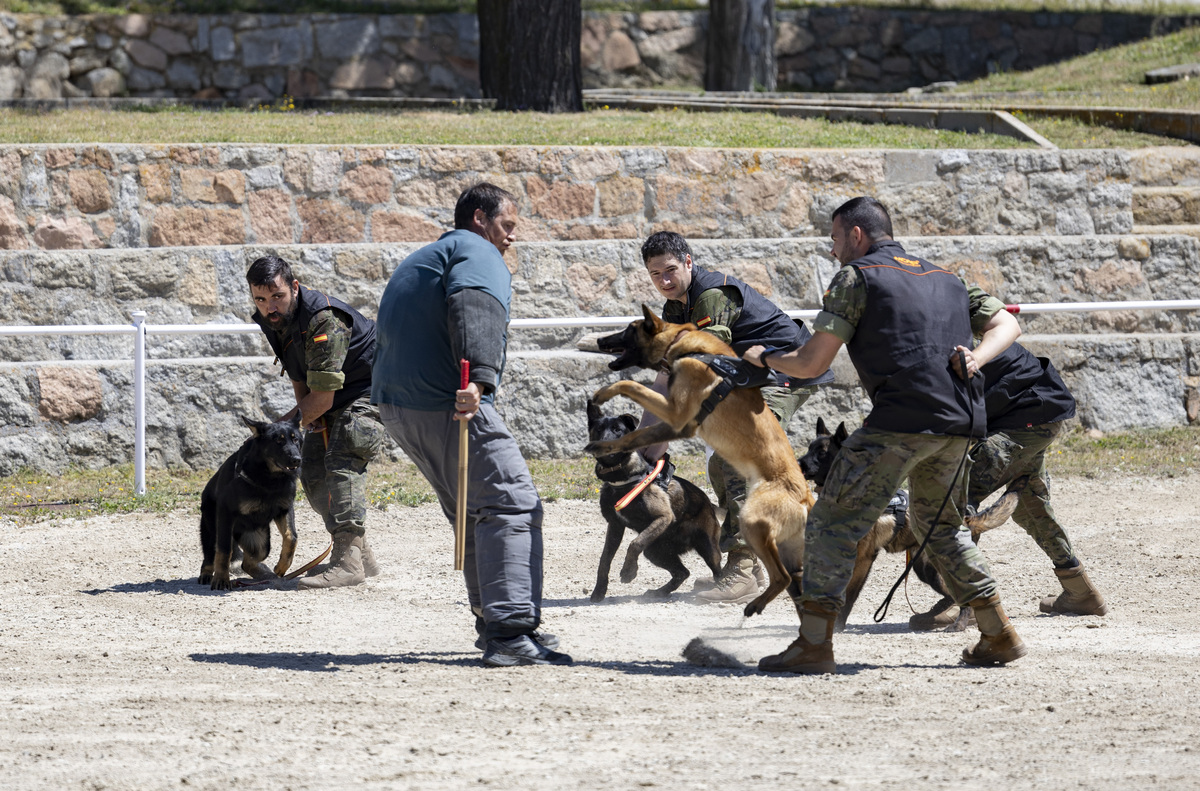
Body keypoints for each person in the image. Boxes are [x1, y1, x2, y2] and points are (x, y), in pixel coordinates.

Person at [743, 196, 1026, 673]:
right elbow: (1008, 323)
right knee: (944, 530)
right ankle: (998, 632)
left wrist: (763, 358)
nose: (832, 250)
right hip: (960, 422)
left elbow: (812, 363)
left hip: (900, 421)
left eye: (834, 239)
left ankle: (814, 644)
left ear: (856, 234)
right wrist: (977, 358)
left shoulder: (857, 277)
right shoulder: (947, 277)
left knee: (831, 525)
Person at [371, 182, 572, 668]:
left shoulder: (431, 253)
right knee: (510, 500)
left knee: (478, 510)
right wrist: (479, 379)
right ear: (480, 219)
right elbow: (473, 306)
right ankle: (508, 632)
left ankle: (494, 621)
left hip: (400, 406)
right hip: (445, 401)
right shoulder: (477, 250)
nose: (510, 239)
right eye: (507, 226)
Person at [638, 230, 834, 604]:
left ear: (689, 262)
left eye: (671, 271)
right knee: (719, 467)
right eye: (655, 275)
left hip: (786, 372)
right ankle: (756, 559)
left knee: (739, 461)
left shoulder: (712, 295)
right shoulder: (675, 308)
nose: (664, 281)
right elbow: (667, 375)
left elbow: (702, 361)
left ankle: (743, 567)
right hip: (750, 377)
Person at [910, 339, 1107, 630]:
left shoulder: (937, 344)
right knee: (1029, 505)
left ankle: (966, 601)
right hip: (1042, 414)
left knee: (958, 501)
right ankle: (1080, 592)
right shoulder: (952, 327)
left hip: (1024, 417)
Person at [246, 255, 385, 590]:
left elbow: (321, 397)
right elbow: (299, 375)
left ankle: (348, 563)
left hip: (373, 386)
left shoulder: (324, 319)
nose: (270, 306)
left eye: (277, 296)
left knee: (341, 460)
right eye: (261, 300)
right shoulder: (275, 319)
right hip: (331, 389)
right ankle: (356, 553)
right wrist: (307, 418)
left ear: (294, 287)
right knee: (309, 469)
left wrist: (278, 431)